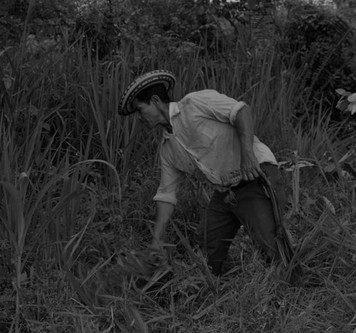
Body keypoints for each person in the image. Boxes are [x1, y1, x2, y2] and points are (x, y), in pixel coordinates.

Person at [118, 70, 287, 275]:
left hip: (255, 175)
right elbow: (166, 195)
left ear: (155, 101)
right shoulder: (168, 148)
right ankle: (218, 290)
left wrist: (248, 155)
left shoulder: (195, 103)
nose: (139, 117)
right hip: (227, 191)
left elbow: (241, 111)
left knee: (273, 248)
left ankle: (292, 293)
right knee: (207, 246)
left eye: (140, 109)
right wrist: (156, 242)